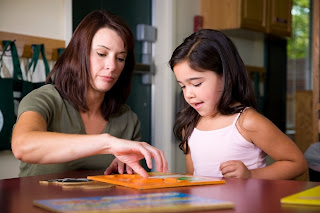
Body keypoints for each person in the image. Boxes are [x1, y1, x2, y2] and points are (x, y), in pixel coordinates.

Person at [11, 10, 168, 178]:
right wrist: (107, 144)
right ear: (79, 54)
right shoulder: (44, 99)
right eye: (101, 54)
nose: (112, 66)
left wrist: (123, 173)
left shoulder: (128, 120)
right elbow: (22, 146)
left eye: (120, 58)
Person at [169, 29, 307, 179]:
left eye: (196, 84)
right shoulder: (189, 124)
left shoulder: (247, 122)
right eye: (183, 86)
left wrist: (250, 175)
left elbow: (297, 163)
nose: (188, 94)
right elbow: (192, 176)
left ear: (225, 75)